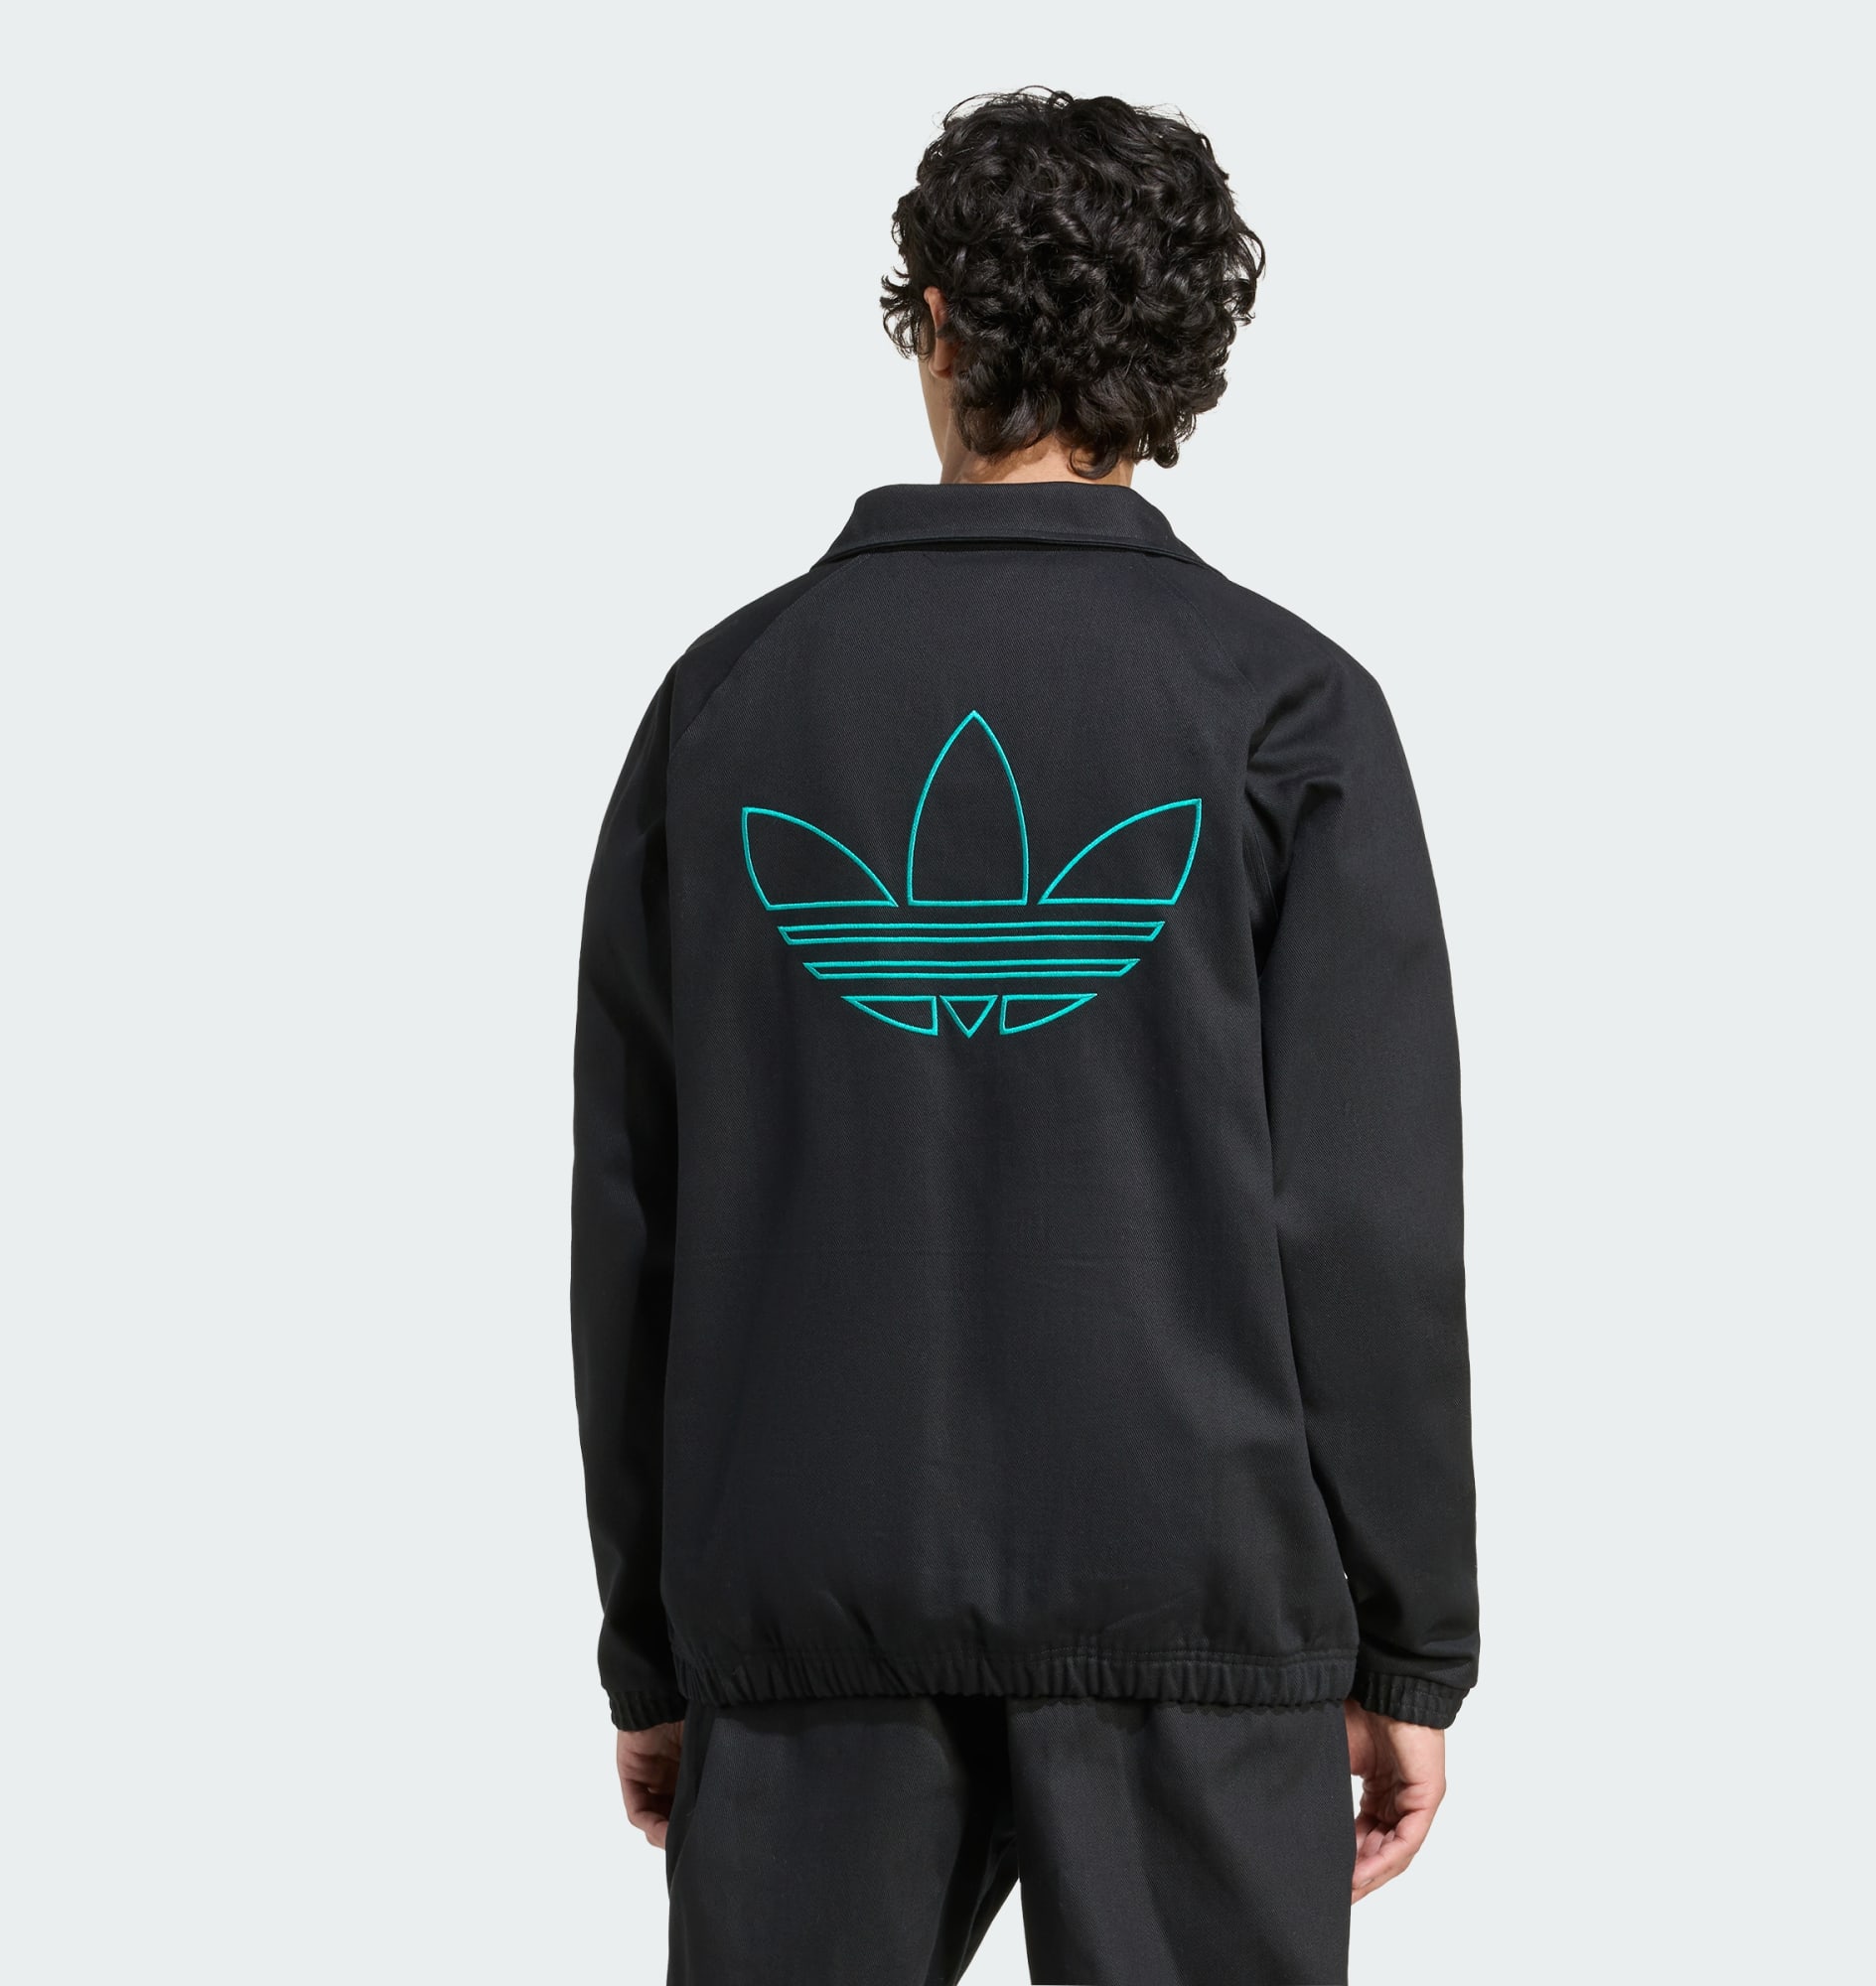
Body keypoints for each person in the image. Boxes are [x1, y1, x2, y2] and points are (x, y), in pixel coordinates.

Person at [571, 87, 1477, 1986]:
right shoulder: (1283, 708)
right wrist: (1409, 1646)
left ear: (936, 323)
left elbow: (633, 1215)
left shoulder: (725, 705)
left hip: (801, 1616)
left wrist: (655, 1647)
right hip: (1195, 1603)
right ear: (1182, 361)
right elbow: (1367, 1223)